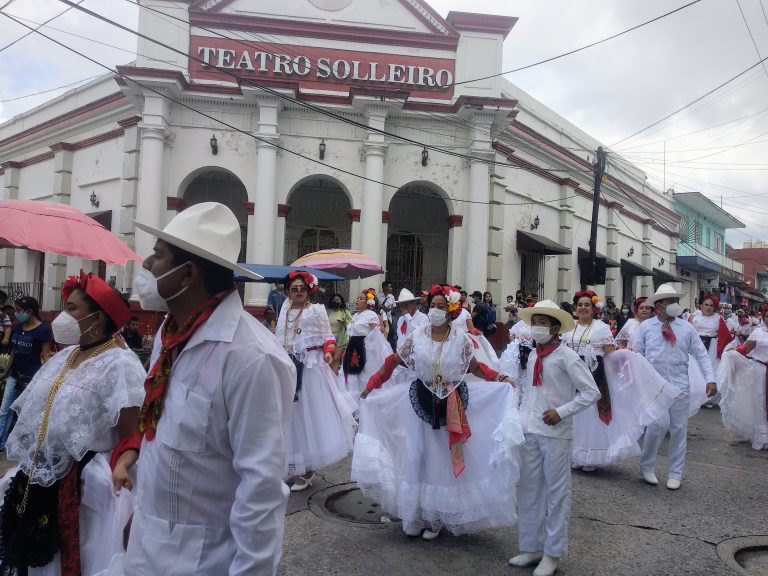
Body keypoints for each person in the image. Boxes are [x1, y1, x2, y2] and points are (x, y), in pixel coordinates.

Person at [113, 202, 297, 575]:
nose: (146, 265)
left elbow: (261, 492)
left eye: (158, 256)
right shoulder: (171, 333)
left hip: (202, 561)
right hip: (146, 547)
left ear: (186, 275)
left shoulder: (252, 358)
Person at [0, 272, 145, 575]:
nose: (63, 315)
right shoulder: (65, 356)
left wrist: (123, 476)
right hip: (38, 478)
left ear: (98, 317)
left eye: (72, 308)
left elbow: (130, 435)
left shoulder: (121, 365)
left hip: (82, 488)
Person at [352, 285, 522, 540]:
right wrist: (372, 385)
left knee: (440, 459)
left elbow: (474, 367)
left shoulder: (461, 339)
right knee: (416, 454)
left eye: (441, 307)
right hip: (420, 400)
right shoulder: (418, 335)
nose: (436, 311)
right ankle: (415, 513)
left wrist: (498, 376)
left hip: (451, 402)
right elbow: (393, 362)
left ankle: (435, 518)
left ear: (451, 310)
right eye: (433, 306)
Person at [508, 300, 600, 576]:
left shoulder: (566, 356)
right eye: (534, 322)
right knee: (529, 490)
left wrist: (561, 412)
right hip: (531, 430)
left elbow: (591, 392)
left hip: (556, 434)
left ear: (556, 327)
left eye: (543, 323)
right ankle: (531, 547)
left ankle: (552, 553)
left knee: (557, 494)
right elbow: (531, 392)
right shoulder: (535, 355)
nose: (537, 328)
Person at [565, 290, 674, 472]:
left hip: (595, 378)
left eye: (587, 305)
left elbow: (610, 353)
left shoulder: (601, 328)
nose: (583, 308)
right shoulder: (569, 328)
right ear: (575, 307)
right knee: (575, 416)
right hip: (571, 378)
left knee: (591, 418)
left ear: (593, 308)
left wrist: (626, 355)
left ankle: (591, 456)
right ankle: (576, 454)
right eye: (580, 305)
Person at [276, 270, 356, 492]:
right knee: (289, 419)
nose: (298, 292)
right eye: (294, 289)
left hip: (310, 369)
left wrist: (329, 353)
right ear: (288, 292)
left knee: (306, 417)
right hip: (288, 368)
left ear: (308, 290)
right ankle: (293, 464)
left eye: (302, 288)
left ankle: (307, 470)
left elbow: (327, 338)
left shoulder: (317, 310)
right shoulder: (284, 310)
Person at [631, 283, 717, 490]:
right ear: (658, 305)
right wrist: (637, 382)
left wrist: (710, 379)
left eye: (674, 301)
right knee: (657, 425)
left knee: (679, 429)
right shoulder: (646, 327)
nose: (672, 305)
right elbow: (635, 355)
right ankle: (647, 466)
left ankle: (675, 473)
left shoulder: (686, 328)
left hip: (680, 383)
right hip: (654, 384)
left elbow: (701, 354)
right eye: (668, 301)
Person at [0, 296, 53, 451]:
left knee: (27, 414)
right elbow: (14, 353)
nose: (15, 314)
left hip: (32, 380)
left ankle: (28, 446)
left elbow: (46, 355)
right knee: (4, 410)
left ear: (29, 311)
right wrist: (5, 373)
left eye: (18, 311)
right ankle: (1, 443)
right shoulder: (18, 327)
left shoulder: (43, 330)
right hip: (14, 376)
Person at [718, 304, 768, 450]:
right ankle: (762, 437)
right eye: (767, 316)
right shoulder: (758, 332)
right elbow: (746, 349)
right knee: (760, 402)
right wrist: (733, 352)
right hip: (760, 370)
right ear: (763, 317)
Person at [340, 289, 391, 398]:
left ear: (368, 302)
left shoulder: (371, 315)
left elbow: (376, 334)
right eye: (357, 298)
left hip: (365, 351)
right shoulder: (354, 316)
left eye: (361, 298)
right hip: (352, 349)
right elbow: (350, 334)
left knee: (363, 376)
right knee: (352, 377)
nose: (358, 300)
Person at [690, 294, 733, 408]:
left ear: (715, 307)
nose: (708, 307)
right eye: (706, 305)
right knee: (695, 369)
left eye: (711, 305)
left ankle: (709, 397)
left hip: (712, 347)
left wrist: (727, 349)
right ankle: (696, 395)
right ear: (701, 305)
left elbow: (726, 336)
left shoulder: (718, 318)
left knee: (711, 369)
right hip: (696, 346)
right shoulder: (694, 317)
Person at [326, 292, 352, 372]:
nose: (335, 301)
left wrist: (344, 322)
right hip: (329, 338)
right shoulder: (328, 311)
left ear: (341, 301)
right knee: (329, 357)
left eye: (337, 300)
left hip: (341, 338)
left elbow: (351, 323)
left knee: (336, 358)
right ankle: (329, 378)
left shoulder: (344, 311)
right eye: (333, 300)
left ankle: (334, 378)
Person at [379, 281, 397, 351]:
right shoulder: (379, 296)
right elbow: (378, 307)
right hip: (381, 318)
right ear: (384, 287)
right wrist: (383, 308)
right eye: (389, 287)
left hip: (389, 319)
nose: (391, 288)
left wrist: (388, 308)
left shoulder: (391, 297)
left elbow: (393, 308)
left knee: (390, 333)